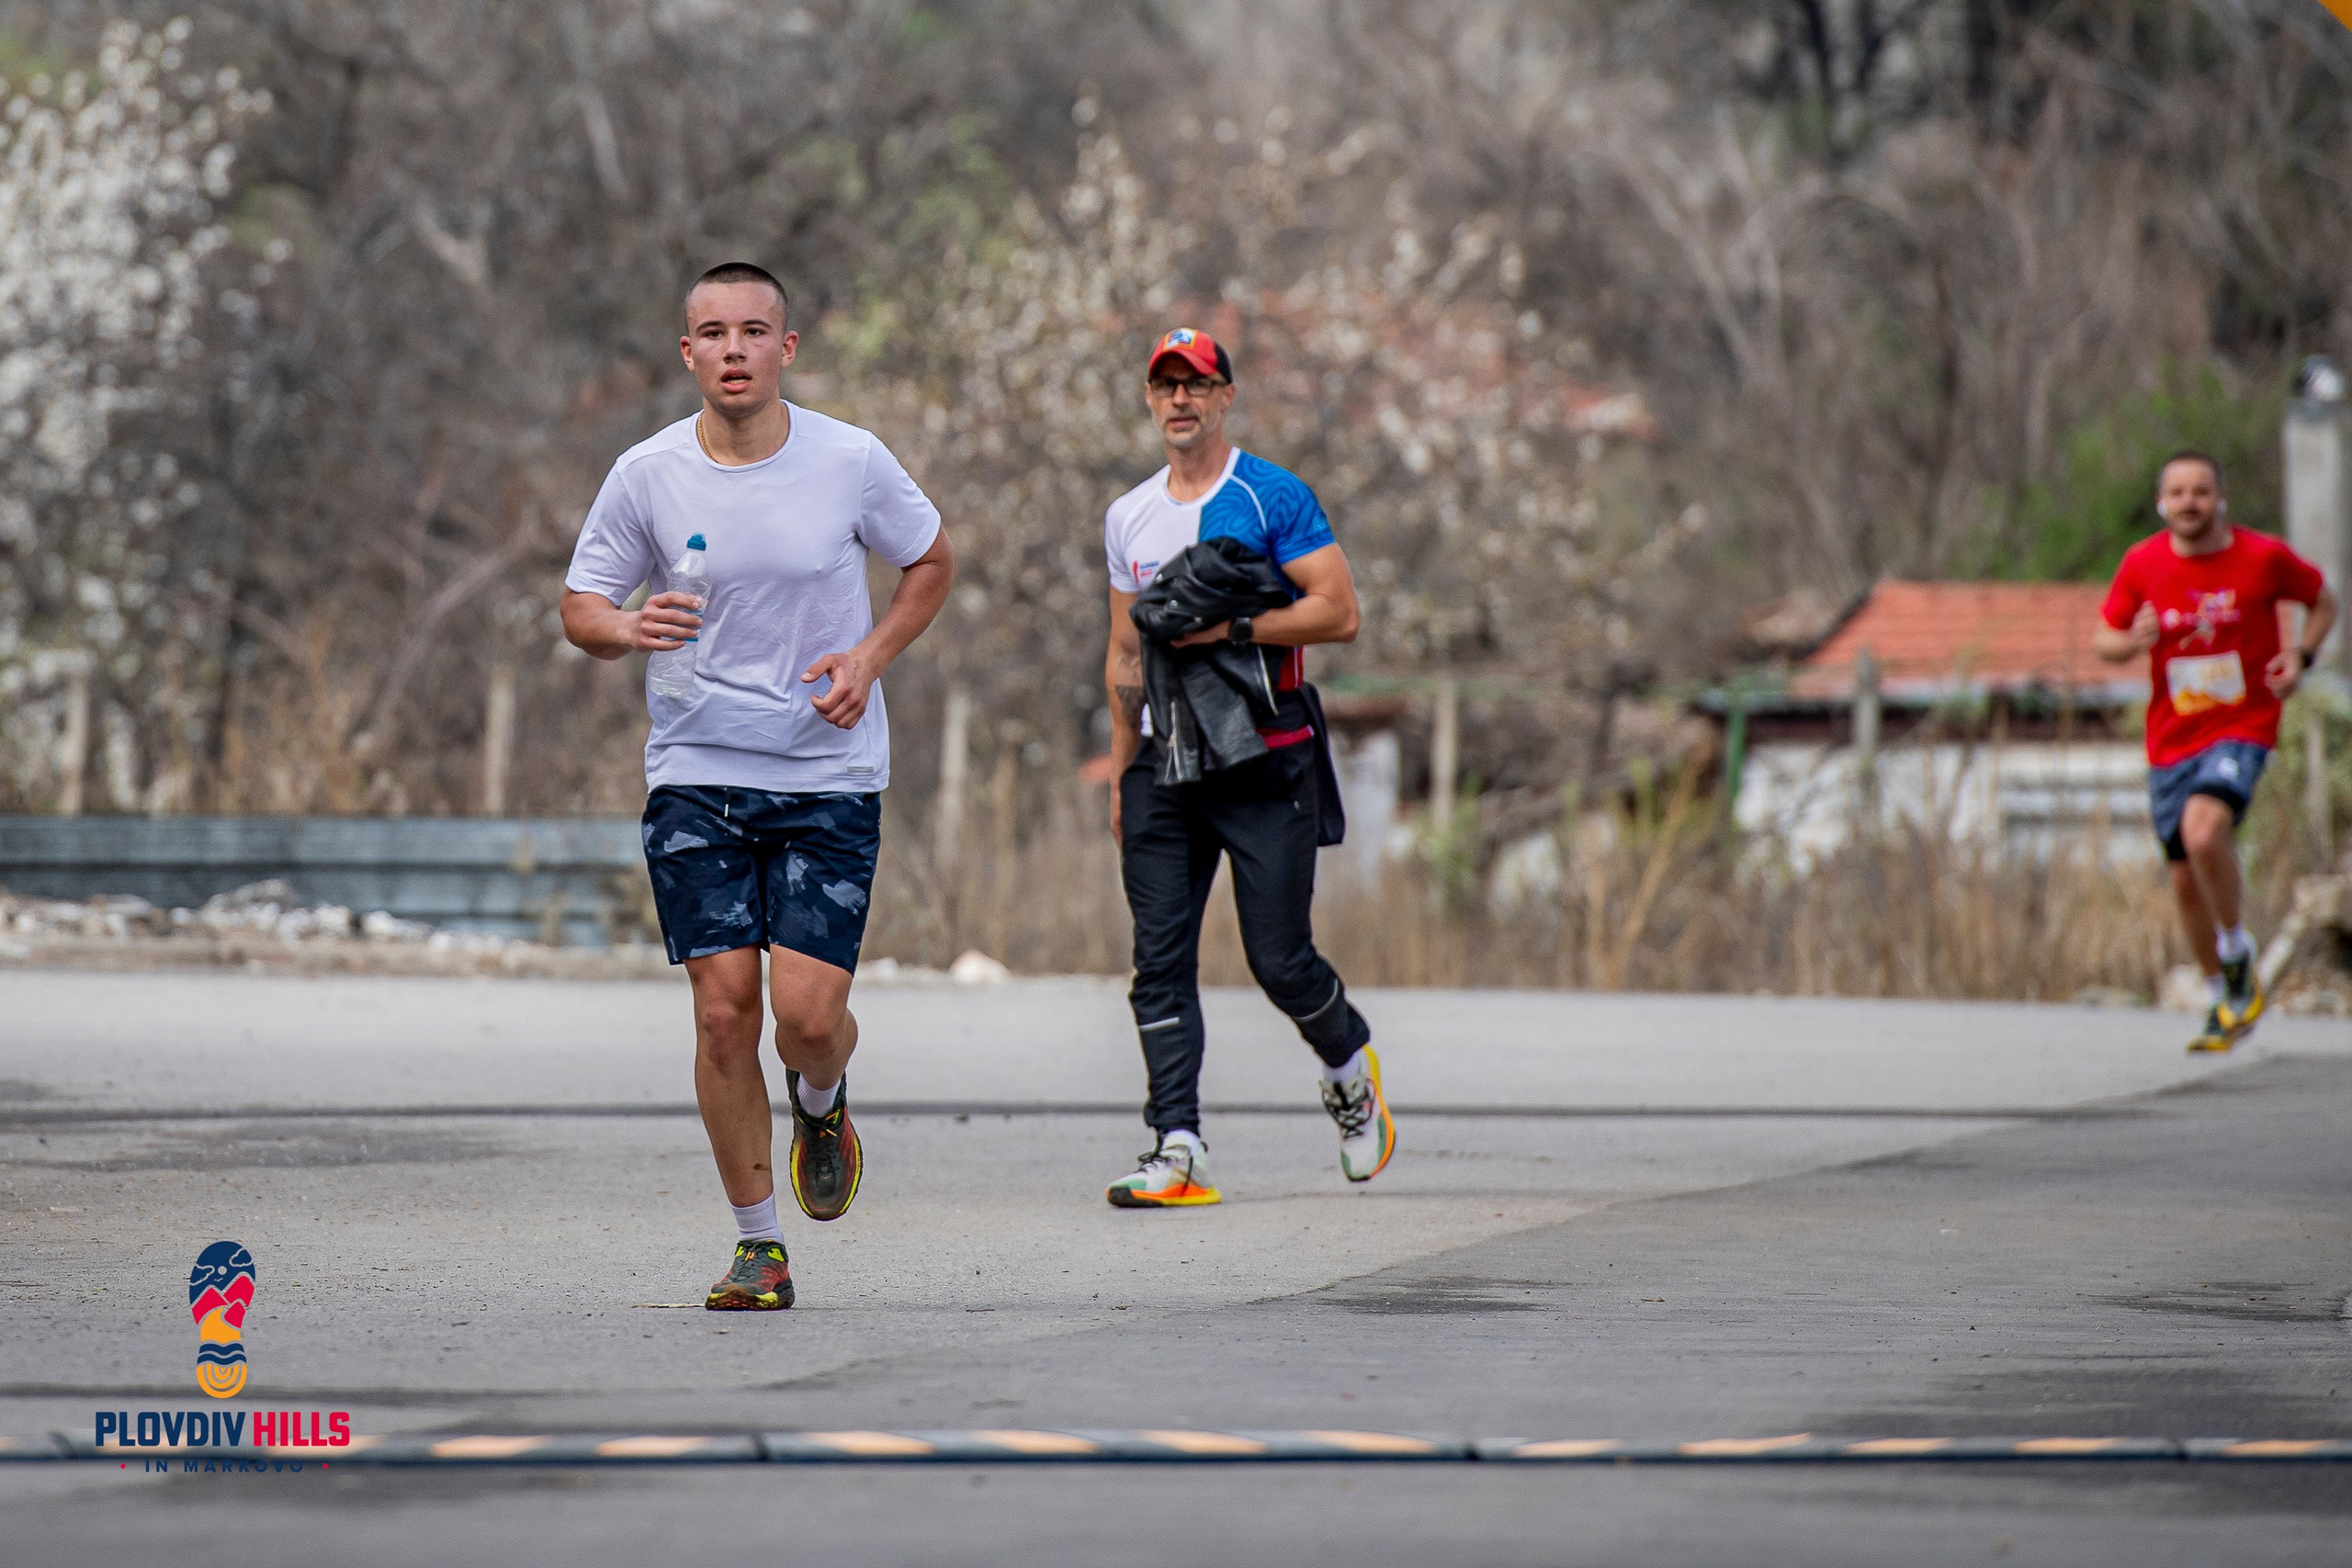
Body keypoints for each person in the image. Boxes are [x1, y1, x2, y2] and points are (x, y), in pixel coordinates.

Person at [560, 263, 953, 1306]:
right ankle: (757, 1244)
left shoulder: (851, 459)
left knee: (807, 1018)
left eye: (754, 331)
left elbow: (930, 562)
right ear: (686, 353)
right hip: (697, 771)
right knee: (724, 1012)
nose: (734, 349)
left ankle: (820, 1100)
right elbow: (580, 604)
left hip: (828, 772)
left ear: (788, 348)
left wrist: (867, 658)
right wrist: (624, 625)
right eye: (712, 333)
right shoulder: (645, 473)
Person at [1099, 327, 1394, 1207]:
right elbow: (1122, 652)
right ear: (1150, 401)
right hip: (1164, 761)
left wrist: (1229, 629)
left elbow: (1338, 613)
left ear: (1226, 396)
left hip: (1264, 755)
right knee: (1158, 960)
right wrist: (1123, 773)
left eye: (1196, 384)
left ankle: (1347, 1062)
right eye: (1164, 385)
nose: (1179, 400)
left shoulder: (1269, 496)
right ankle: (1177, 1146)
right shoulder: (1129, 516)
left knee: (1278, 957)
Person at [2095, 450, 2335, 1053]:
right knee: (2182, 879)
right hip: (2172, 737)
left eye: (2200, 491)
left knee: (2205, 833)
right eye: (2177, 492)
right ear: (2161, 503)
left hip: (2244, 724)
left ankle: (2235, 950)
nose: (2189, 502)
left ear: (2220, 498)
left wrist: (2301, 655)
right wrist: (2131, 640)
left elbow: (2324, 599)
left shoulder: (2262, 557)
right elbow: (2104, 639)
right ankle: (2228, 995)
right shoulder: (2142, 563)